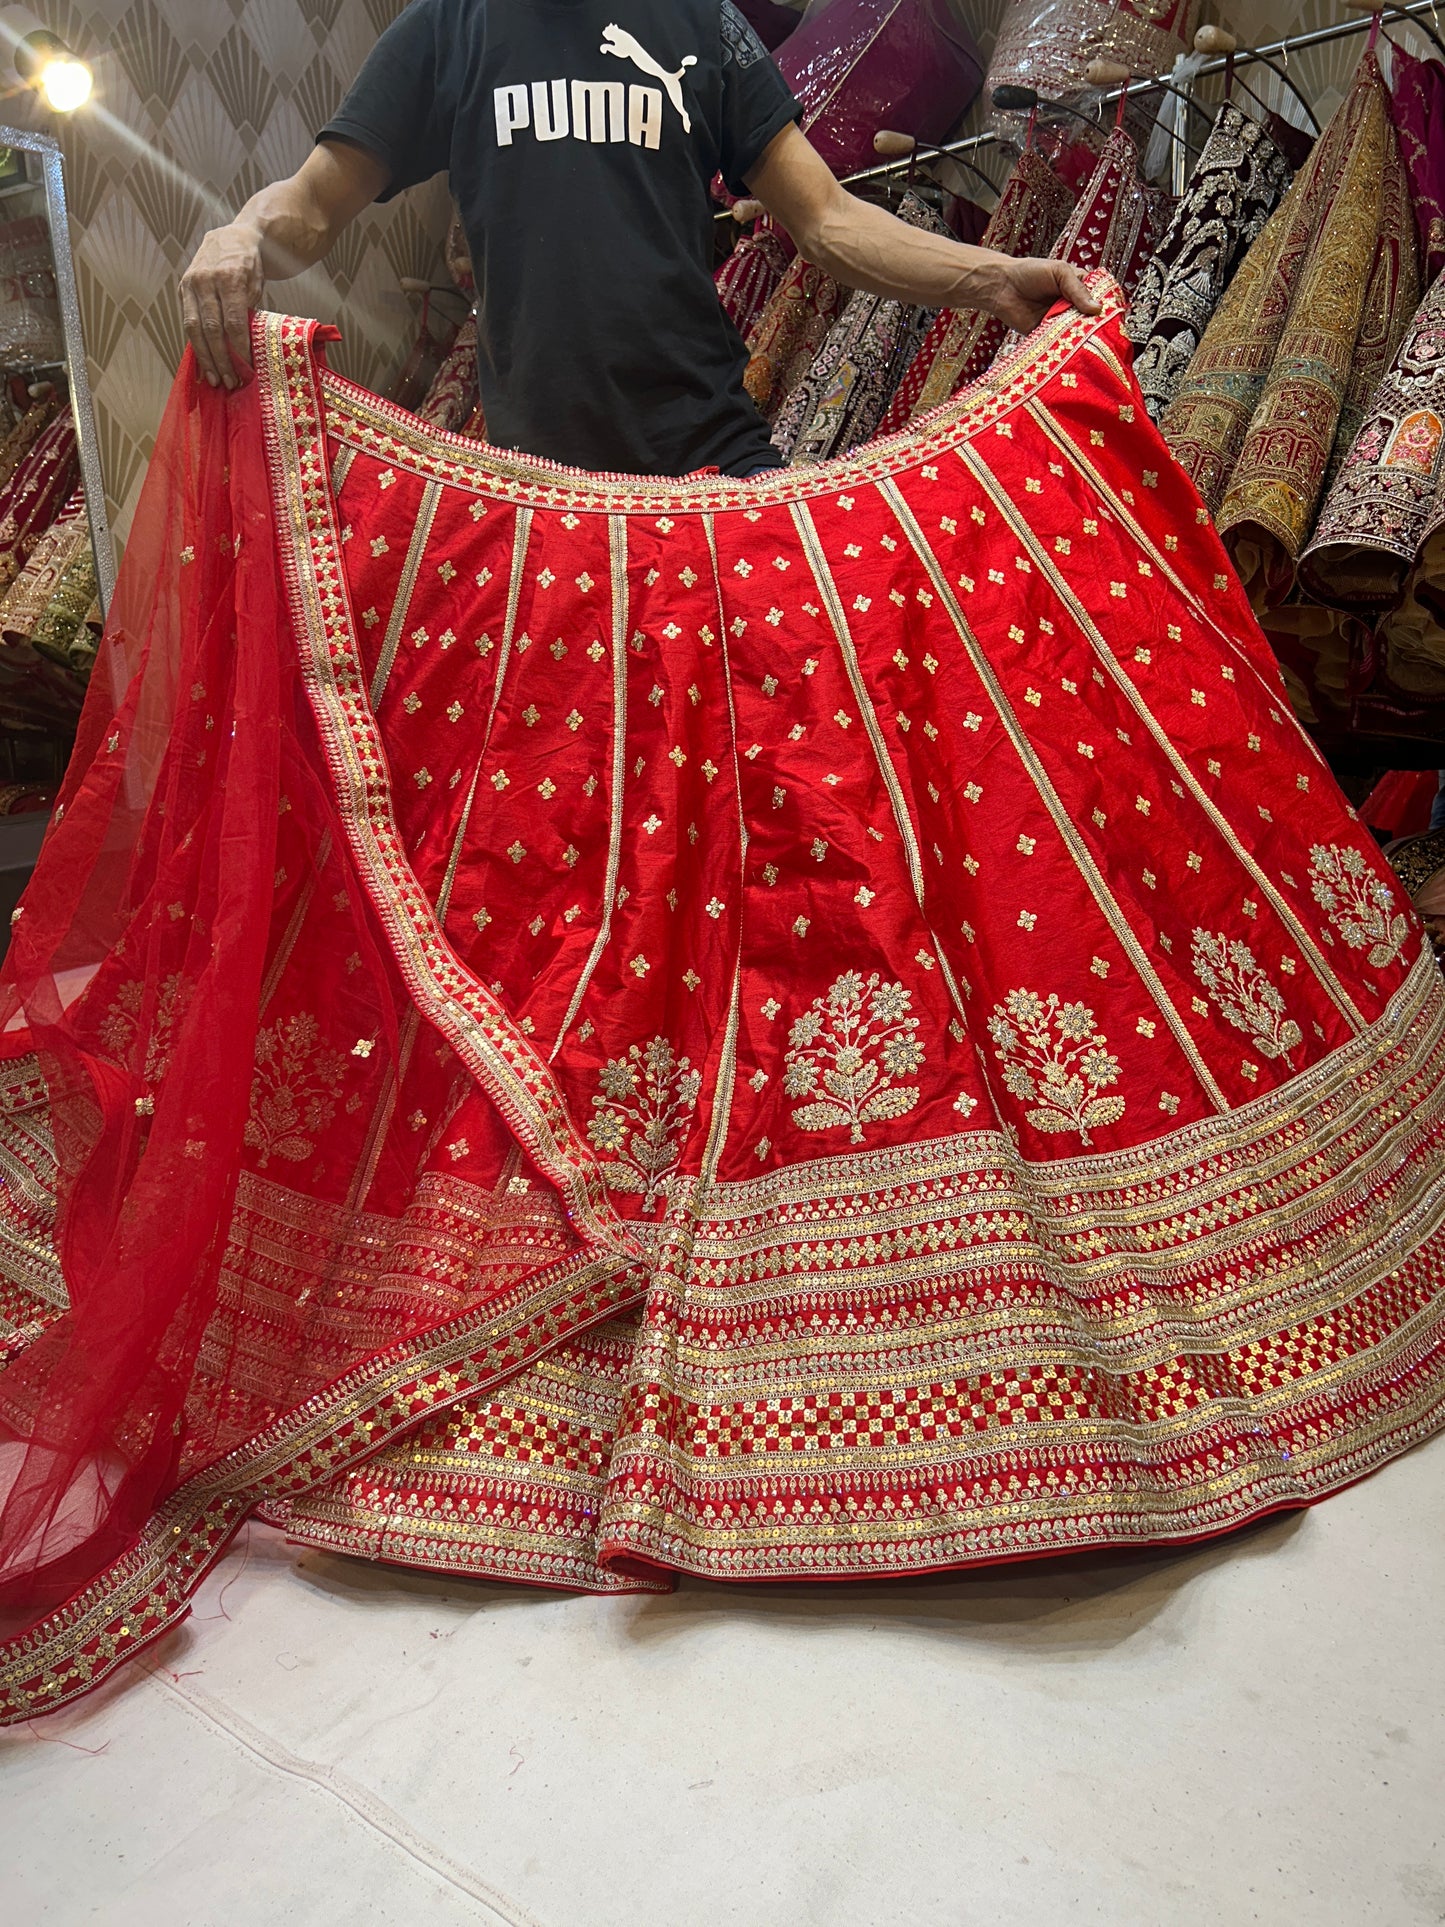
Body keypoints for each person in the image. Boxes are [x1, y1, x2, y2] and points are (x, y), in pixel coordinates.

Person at [178, 0, 1097, 478]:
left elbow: (827, 219)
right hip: (540, 488)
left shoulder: (698, 21)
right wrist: (236, 237)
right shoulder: (445, 28)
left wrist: (993, 277)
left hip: (710, 457)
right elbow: (309, 206)